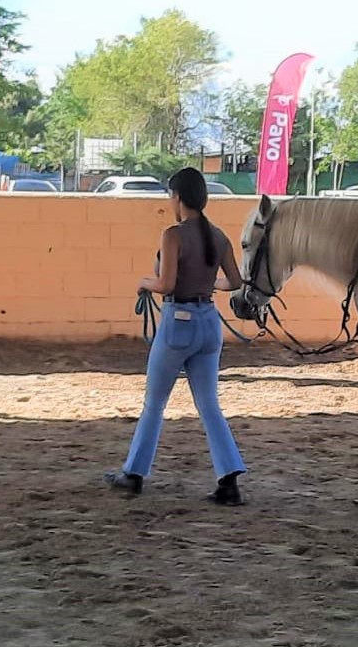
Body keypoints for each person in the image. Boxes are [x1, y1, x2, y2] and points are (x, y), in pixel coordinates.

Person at [106, 168, 249, 505]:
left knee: (154, 404)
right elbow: (235, 282)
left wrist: (145, 283)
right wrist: (207, 284)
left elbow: (167, 284)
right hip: (209, 323)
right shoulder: (218, 236)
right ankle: (229, 479)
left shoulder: (173, 235)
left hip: (177, 323)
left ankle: (134, 474)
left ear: (177, 197)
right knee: (209, 404)